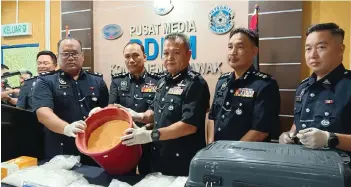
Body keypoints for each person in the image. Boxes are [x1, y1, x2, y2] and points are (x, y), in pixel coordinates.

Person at [119, 33, 210, 176]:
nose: (170, 57)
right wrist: (139, 117)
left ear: (188, 54)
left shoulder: (195, 83)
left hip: (182, 162)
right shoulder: (162, 82)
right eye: (166, 53)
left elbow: (189, 126)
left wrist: (150, 135)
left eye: (176, 53)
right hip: (159, 158)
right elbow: (159, 113)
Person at [32, 37, 109, 165]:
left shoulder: (97, 81)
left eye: (74, 53)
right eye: (65, 54)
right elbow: (43, 113)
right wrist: (67, 128)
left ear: (82, 56)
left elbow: (107, 111)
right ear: (58, 57)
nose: (71, 57)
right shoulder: (46, 82)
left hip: (93, 147)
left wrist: (101, 112)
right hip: (61, 151)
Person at [89, 42, 162, 174]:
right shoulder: (117, 81)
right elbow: (113, 108)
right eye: (127, 57)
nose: (131, 60)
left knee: (149, 177)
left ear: (144, 57)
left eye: (135, 56)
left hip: (148, 137)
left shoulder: (157, 81)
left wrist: (144, 128)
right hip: (124, 139)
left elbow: (157, 111)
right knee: (124, 177)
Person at [279, 23, 351, 154]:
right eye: (308, 49)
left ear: (340, 50)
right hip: (303, 164)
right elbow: (298, 122)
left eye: (321, 47)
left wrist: (330, 139)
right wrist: (289, 134)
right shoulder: (303, 87)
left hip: (341, 169)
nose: (312, 55)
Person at [207, 27, 280, 144]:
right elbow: (212, 117)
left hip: (245, 157)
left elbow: (260, 130)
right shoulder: (222, 81)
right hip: (217, 154)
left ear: (254, 51)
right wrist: (210, 145)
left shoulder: (265, 84)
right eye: (230, 47)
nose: (233, 52)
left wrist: (230, 152)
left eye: (240, 47)